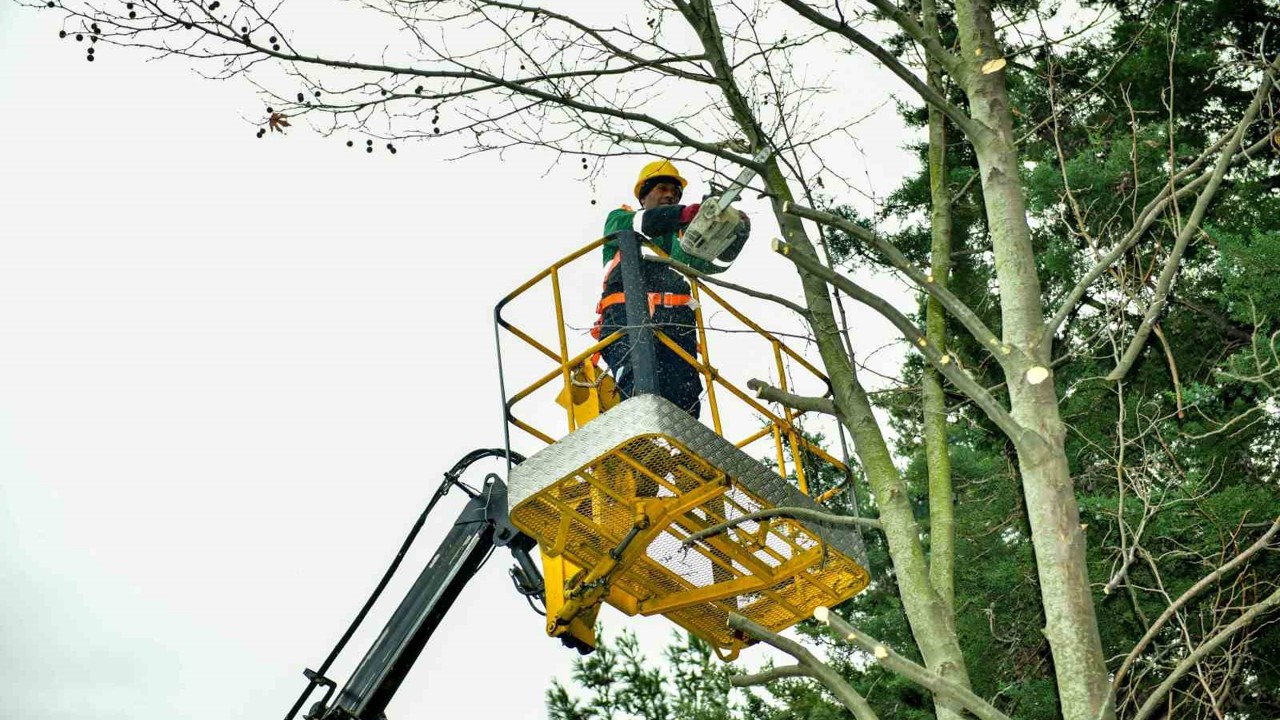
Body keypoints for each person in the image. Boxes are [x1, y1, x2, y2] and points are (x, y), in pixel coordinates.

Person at [592, 159, 750, 418]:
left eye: (675, 193)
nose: (670, 195)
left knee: (685, 397)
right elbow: (643, 223)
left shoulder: (681, 242)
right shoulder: (621, 218)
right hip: (626, 317)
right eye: (662, 189)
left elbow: (712, 263)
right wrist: (685, 213)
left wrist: (733, 234)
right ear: (644, 195)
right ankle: (644, 440)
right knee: (640, 384)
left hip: (677, 324)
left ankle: (680, 452)